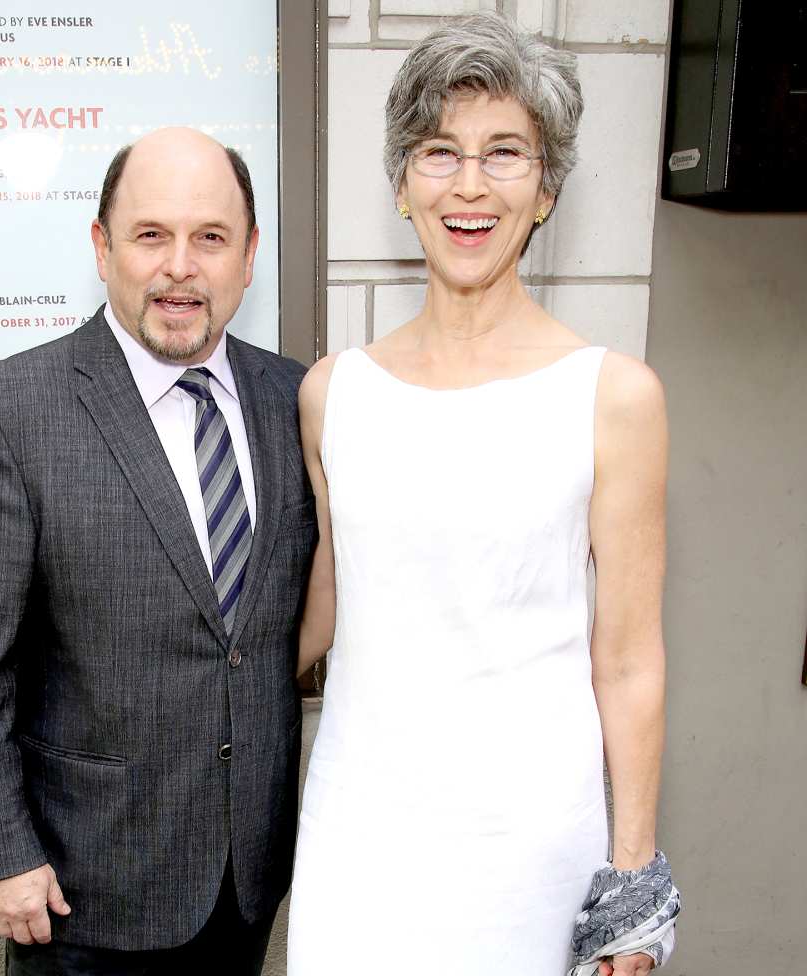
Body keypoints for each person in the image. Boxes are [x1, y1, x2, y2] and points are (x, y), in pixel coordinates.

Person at [288, 14, 675, 976]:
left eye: (505, 154)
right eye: (439, 152)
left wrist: (633, 889)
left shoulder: (614, 395)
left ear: (546, 191)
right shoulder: (333, 393)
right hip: (361, 838)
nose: (469, 186)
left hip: (532, 855)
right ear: (400, 184)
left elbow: (628, 661)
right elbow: (323, 609)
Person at [0, 128, 316, 976]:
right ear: (102, 248)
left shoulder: (298, 398)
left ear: (249, 256)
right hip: (79, 889)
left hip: (248, 878)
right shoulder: (7, 411)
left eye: (210, 237)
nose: (181, 266)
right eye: (150, 236)